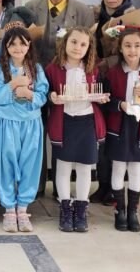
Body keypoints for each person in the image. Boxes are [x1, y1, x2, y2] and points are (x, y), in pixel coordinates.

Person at [25, 0, 95, 200]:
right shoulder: (31, 8)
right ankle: (36, 186)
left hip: (69, 81)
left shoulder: (83, 11)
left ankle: (60, 187)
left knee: (62, 132)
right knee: (36, 132)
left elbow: (89, 47)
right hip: (35, 80)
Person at [89, 0, 140, 205]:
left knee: (120, 135)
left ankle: (117, 190)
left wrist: (108, 62)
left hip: (124, 81)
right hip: (98, 81)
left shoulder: (133, 18)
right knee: (101, 136)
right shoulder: (95, 16)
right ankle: (104, 185)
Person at [45, 27, 108, 233]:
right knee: (63, 167)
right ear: (65, 43)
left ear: (89, 47)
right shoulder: (53, 69)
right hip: (64, 122)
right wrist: (51, 96)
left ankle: (81, 209)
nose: (77, 47)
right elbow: (46, 92)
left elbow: (102, 93)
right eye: (73, 42)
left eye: (83, 44)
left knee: (84, 168)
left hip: (87, 121)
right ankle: (65, 208)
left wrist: (103, 98)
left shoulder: (94, 69)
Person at [0, 25, 49, 233]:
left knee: (29, 164)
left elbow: (43, 95)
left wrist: (30, 95)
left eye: (22, 43)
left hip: (31, 124)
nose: (17, 48)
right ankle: (9, 209)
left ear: (29, 45)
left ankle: (22, 209)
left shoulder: (36, 69)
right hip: (6, 123)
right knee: (6, 164)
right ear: (5, 46)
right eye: (12, 44)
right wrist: (13, 84)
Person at [105, 28, 140, 232]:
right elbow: (105, 100)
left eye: (137, 46)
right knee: (118, 167)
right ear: (120, 48)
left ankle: (133, 211)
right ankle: (119, 209)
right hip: (119, 127)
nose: (132, 50)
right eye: (127, 46)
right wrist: (119, 104)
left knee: (136, 169)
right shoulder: (113, 73)